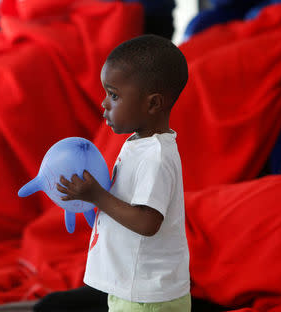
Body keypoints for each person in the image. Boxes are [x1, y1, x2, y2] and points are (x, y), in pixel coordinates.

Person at [54, 34, 191, 311]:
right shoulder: (139, 144)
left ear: (152, 104)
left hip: (146, 296)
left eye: (114, 95)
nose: (104, 103)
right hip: (133, 287)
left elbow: (147, 223)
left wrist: (97, 196)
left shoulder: (156, 155)